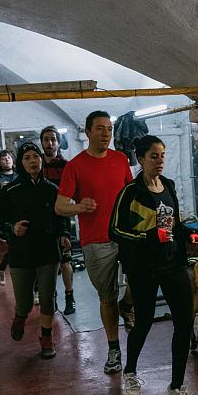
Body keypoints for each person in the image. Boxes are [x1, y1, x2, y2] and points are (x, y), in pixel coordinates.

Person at [109, 135, 197, 395]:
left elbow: (175, 222)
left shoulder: (168, 186)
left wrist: (189, 235)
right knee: (145, 320)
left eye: (162, 155)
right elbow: (114, 231)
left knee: (185, 320)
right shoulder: (130, 192)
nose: (159, 161)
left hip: (173, 263)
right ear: (141, 159)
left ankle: (176, 387)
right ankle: (130, 371)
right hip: (143, 267)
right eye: (153, 156)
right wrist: (146, 237)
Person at [56, 110, 134, 374]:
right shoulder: (75, 166)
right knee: (107, 296)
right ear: (88, 132)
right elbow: (59, 206)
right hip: (96, 240)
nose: (106, 133)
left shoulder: (121, 159)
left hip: (126, 235)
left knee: (141, 277)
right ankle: (114, 349)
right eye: (100, 128)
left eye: (109, 129)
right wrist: (78, 207)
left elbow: (131, 194)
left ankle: (129, 305)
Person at [0, 142, 66, 359]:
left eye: (36, 156)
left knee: (47, 299)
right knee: (24, 303)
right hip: (21, 253)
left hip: (48, 252)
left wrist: (64, 235)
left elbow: (61, 217)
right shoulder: (10, 190)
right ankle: (20, 316)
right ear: (20, 163)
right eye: (27, 158)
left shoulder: (52, 189)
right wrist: (11, 228)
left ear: (41, 160)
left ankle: (46, 337)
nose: (33, 161)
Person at [40, 125, 76, 315]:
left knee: (65, 260)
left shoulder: (66, 166)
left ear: (58, 142)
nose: (49, 143)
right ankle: (51, 296)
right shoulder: (37, 165)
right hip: (41, 221)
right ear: (42, 142)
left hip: (61, 218)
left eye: (53, 139)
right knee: (47, 262)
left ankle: (70, 297)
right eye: (46, 139)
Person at [0, 149, 18, 284]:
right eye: (3, 158)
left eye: (9, 157)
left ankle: (2, 267)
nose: (7, 160)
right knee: (14, 246)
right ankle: (3, 269)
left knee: (18, 246)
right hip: (5, 218)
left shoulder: (19, 176)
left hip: (19, 215)